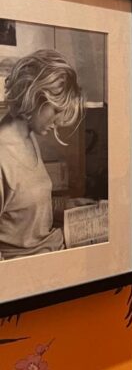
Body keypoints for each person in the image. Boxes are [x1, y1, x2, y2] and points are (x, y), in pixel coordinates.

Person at [0, 49, 84, 260]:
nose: (59, 121)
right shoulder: (3, 155)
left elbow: (22, 211)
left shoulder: (28, 136)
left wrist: (65, 207)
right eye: (56, 110)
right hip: (31, 271)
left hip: (53, 254)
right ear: (35, 96)